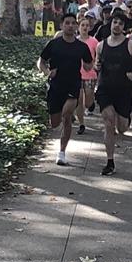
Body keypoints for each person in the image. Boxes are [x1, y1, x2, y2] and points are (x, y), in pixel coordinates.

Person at [94, 9, 132, 176]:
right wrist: (96, 66)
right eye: (114, 22)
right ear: (111, 24)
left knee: (122, 128)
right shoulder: (101, 45)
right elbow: (97, 65)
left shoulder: (130, 45)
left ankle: (124, 118)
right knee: (109, 122)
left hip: (123, 91)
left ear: (124, 27)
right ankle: (110, 162)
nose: (117, 25)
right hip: (105, 89)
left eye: (120, 23)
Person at [38, 15, 94, 167]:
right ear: (62, 25)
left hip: (73, 86)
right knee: (55, 123)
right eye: (67, 23)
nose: (70, 26)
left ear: (76, 26)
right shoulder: (54, 44)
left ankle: (62, 153)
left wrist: (92, 67)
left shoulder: (81, 47)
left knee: (67, 115)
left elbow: (89, 64)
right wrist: (47, 72)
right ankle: (59, 119)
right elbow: (41, 61)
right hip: (56, 86)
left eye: (73, 23)